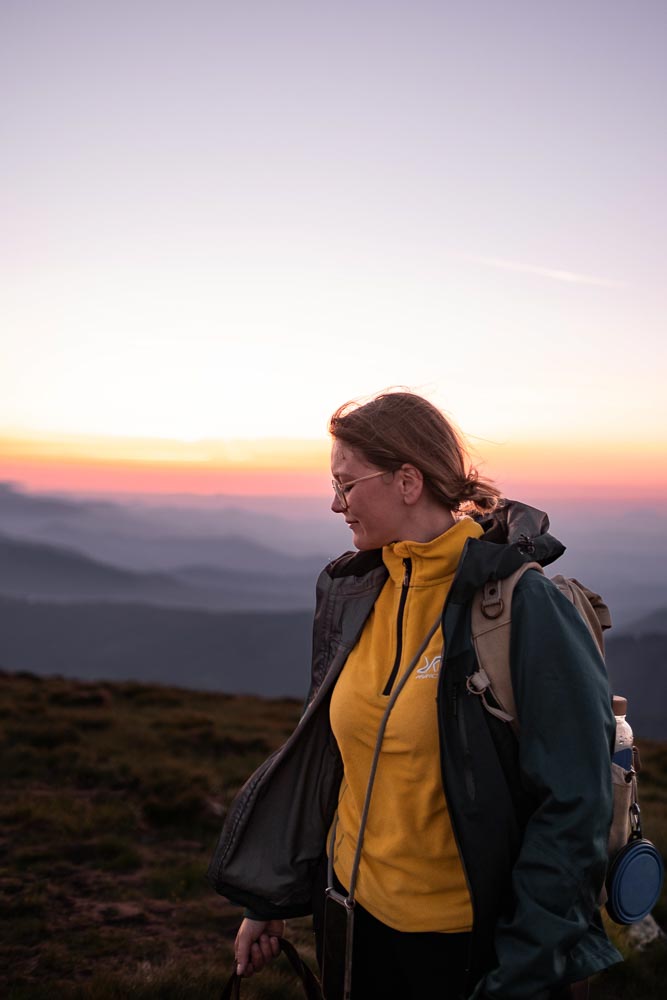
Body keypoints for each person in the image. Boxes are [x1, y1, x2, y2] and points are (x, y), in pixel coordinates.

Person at [207, 390, 623, 999]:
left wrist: (524, 970)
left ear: (407, 480)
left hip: (460, 946)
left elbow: (575, 805)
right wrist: (271, 897)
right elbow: (332, 761)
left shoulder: (519, 607)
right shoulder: (355, 594)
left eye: (345, 484)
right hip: (348, 918)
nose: (334, 503)